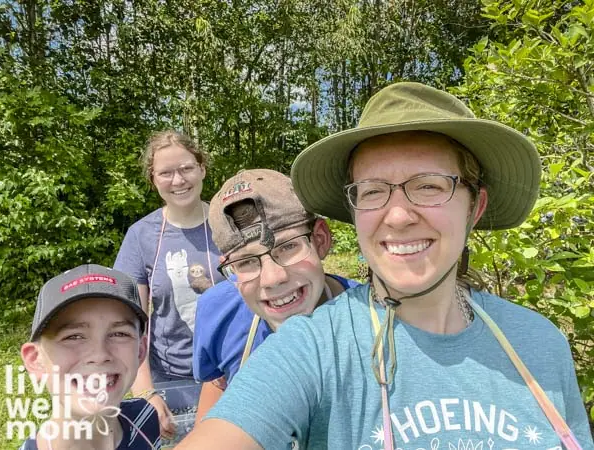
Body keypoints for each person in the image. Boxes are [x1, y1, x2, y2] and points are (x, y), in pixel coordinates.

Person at [176, 82, 594, 449]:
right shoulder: (315, 348)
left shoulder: (540, 343)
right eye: (373, 192)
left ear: (475, 207)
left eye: (429, 186)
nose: (397, 217)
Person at [192, 169, 359, 423]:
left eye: (288, 246)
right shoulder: (217, 311)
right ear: (230, 267)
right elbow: (218, 383)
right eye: (246, 261)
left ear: (321, 239)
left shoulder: (371, 317)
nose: (273, 278)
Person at [114, 131, 224, 438]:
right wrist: (147, 393)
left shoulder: (228, 223)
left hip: (231, 375)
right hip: (168, 380)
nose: (178, 180)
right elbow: (128, 323)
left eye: (186, 168)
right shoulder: (141, 236)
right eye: (166, 172)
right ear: (153, 179)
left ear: (202, 168)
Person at [19, 264, 160, 449]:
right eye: (73, 336)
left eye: (119, 334)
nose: (100, 355)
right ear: (36, 360)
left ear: (140, 351)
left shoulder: (145, 418)